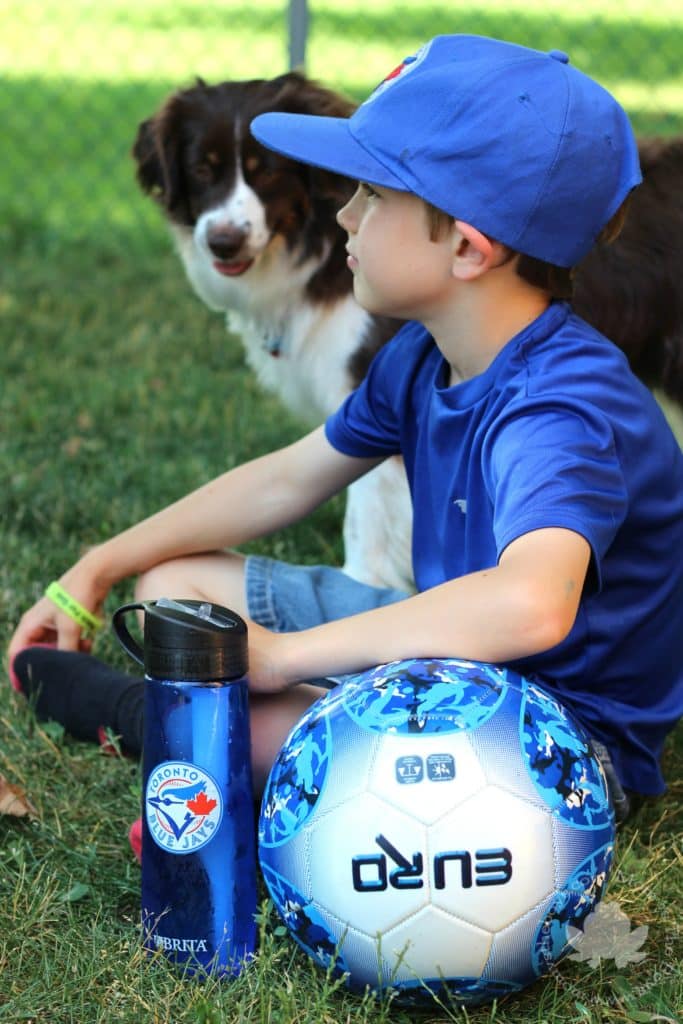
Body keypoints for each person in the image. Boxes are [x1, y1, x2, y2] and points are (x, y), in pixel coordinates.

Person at [9, 36, 683, 824]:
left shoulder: (559, 407)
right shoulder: (420, 356)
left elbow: (531, 607)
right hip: (446, 665)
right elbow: (290, 476)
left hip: (548, 747)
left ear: (468, 247)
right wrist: (101, 564)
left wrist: (285, 659)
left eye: (372, 195)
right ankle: (217, 730)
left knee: (258, 718)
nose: (343, 214)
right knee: (173, 589)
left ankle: (153, 721)